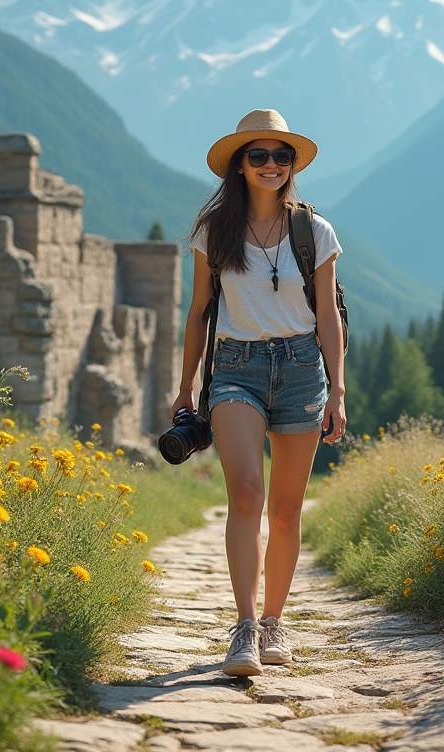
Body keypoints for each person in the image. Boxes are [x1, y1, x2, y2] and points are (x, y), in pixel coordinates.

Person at [172, 109, 346, 677]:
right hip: (236, 369)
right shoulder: (213, 231)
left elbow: (328, 316)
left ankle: (275, 623)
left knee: (288, 507)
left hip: (301, 369)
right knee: (246, 494)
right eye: (259, 156)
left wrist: (338, 391)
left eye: (282, 156)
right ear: (240, 166)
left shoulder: (315, 231)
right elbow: (198, 311)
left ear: (292, 165)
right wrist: (186, 387)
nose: (272, 165)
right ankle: (244, 629)